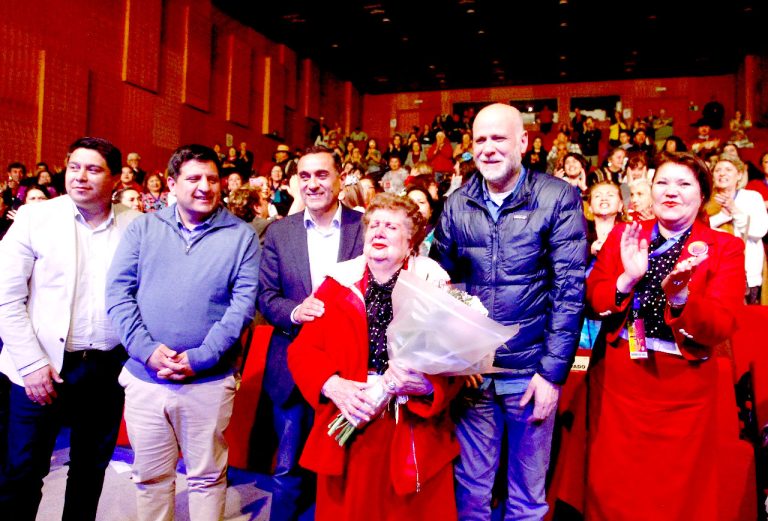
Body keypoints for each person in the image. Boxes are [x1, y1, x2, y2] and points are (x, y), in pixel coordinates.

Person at [431, 103, 586, 519]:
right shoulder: (457, 204)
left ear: (523, 142)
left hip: (530, 373)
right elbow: (436, 283)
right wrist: (458, 355)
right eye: (480, 139)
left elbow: (569, 291)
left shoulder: (558, 197)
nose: (488, 148)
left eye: (499, 138)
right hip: (473, 377)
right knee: (471, 493)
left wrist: (552, 374)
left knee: (527, 499)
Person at [585, 152, 745, 520]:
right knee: (616, 488)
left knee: (676, 494)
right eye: (663, 183)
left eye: (684, 184)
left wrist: (682, 298)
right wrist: (626, 280)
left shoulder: (724, 248)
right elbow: (594, 297)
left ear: (702, 194)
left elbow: (722, 324)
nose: (671, 192)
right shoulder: (627, 236)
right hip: (621, 379)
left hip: (685, 386)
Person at [106, 144, 260, 521]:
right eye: (193, 178)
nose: (205, 186)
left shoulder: (242, 237)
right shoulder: (143, 228)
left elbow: (241, 308)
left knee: (207, 479)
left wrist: (200, 358)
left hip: (208, 381)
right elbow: (117, 294)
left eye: (212, 178)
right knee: (152, 479)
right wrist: (146, 350)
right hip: (147, 378)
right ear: (172, 184)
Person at [287, 193, 461, 521]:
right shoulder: (337, 285)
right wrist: (331, 384)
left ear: (412, 242)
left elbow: (456, 366)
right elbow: (303, 351)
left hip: (411, 429)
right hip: (351, 424)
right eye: (374, 225)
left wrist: (425, 387)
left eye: (391, 226)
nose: (379, 231)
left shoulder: (434, 284)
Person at [0, 137, 140, 521]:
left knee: (89, 470)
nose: (79, 177)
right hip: (39, 367)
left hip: (105, 368)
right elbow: (5, 298)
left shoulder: (137, 226)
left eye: (93, 169)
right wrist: (30, 365)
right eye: (74, 166)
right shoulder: (35, 218)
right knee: (22, 472)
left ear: (115, 179)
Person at [258, 146, 365, 521]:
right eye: (305, 176)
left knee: (343, 476)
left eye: (322, 175)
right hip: (291, 366)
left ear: (340, 179)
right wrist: (295, 311)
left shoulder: (365, 227)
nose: (313, 184)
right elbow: (266, 296)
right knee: (287, 473)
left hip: (352, 372)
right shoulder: (278, 232)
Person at [706, 154, 768, 304]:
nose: (722, 173)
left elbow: (759, 230)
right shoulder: (706, 200)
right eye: (718, 170)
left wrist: (734, 210)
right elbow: (699, 232)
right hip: (715, 274)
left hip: (749, 271)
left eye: (728, 169)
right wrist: (722, 215)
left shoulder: (752, 197)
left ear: (739, 175)